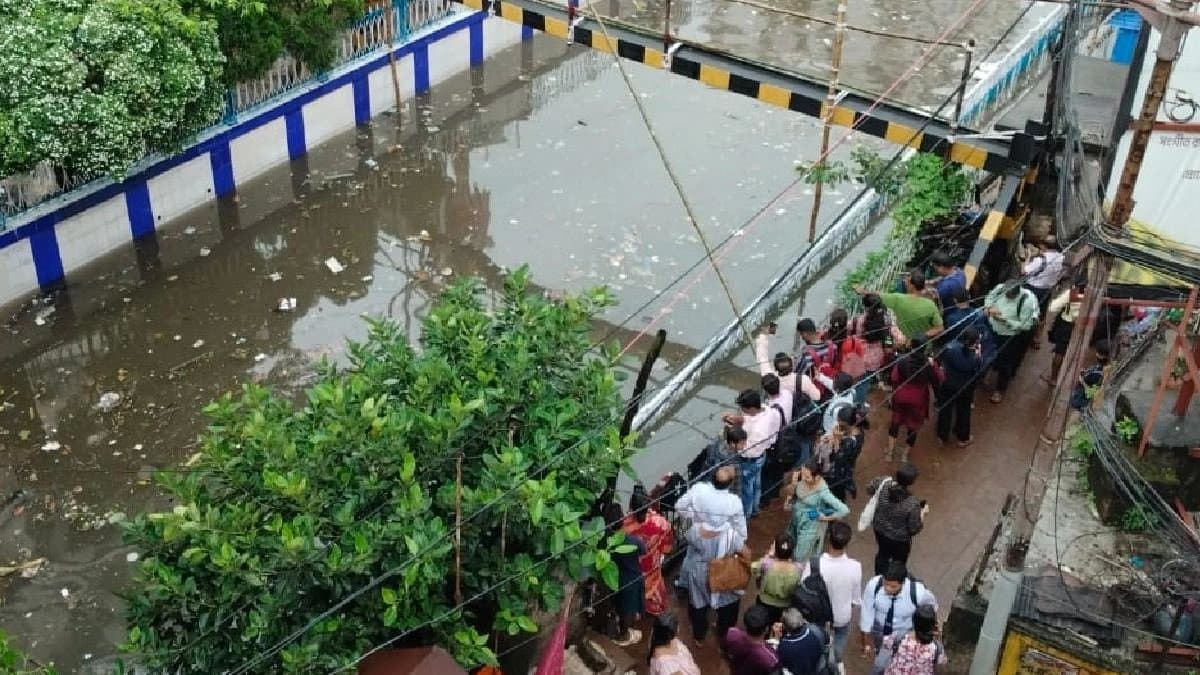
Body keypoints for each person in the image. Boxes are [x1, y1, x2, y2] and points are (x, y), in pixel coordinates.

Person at [801, 521, 862, 666]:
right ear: (848, 542)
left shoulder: (814, 563)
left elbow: (804, 587)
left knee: (818, 641)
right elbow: (855, 599)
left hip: (818, 614)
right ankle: (835, 662)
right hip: (842, 615)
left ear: (829, 538)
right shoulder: (855, 567)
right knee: (840, 638)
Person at [682, 515, 747, 646]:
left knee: (698, 604)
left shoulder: (698, 529)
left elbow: (688, 537)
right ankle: (723, 632)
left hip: (701, 571)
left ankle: (699, 637)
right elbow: (741, 547)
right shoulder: (734, 527)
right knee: (727, 601)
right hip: (725, 570)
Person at [723, 389, 782, 518]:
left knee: (747, 490)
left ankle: (746, 515)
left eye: (743, 408)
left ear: (751, 408)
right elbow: (749, 419)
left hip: (750, 459)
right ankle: (755, 509)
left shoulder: (760, 430)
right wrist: (738, 420)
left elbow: (746, 450)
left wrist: (732, 438)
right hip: (761, 456)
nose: (742, 410)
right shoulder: (767, 410)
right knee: (756, 484)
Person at [860, 562, 938, 658]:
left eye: (893, 586)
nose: (888, 589)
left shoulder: (918, 592)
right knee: (881, 656)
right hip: (880, 629)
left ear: (903, 582)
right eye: (886, 584)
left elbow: (931, 608)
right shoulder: (873, 585)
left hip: (904, 632)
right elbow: (867, 611)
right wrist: (866, 642)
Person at [983, 280, 1039, 404]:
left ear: (1016, 293)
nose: (1006, 298)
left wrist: (1005, 320)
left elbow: (1026, 325)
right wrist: (989, 307)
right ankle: (986, 373)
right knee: (986, 353)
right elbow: (990, 297)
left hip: (1010, 336)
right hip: (993, 329)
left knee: (1006, 363)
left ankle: (1000, 389)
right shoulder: (1000, 288)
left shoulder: (1027, 301)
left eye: (1009, 297)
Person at [623, 484, 675, 617]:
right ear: (647, 506)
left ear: (631, 507)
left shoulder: (624, 526)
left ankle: (636, 611)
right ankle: (653, 610)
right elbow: (667, 548)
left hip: (633, 568)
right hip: (651, 565)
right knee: (653, 590)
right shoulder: (661, 523)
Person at [887, 343, 943, 463]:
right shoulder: (928, 365)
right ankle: (904, 455)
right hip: (918, 399)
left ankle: (890, 452)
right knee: (913, 426)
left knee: (895, 422)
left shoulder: (902, 360)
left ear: (912, 347)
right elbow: (939, 379)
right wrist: (934, 365)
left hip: (900, 395)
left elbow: (894, 378)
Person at [783, 459, 850, 561]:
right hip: (796, 517)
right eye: (803, 474)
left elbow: (844, 510)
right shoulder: (801, 478)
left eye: (807, 477)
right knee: (789, 542)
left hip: (811, 523)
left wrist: (826, 518)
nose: (804, 479)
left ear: (817, 477)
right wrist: (793, 484)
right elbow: (790, 493)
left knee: (800, 553)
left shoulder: (823, 491)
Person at [868, 463, 926, 576]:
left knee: (882, 553)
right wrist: (923, 513)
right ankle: (894, 579)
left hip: (879, 529)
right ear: (911, 482)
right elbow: (914, 528)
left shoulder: (883, 483)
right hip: (899, 539)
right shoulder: (912, 504)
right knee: (898, 562)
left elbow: (869, 489)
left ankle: (878, 576)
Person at [857, 271, 943, 343]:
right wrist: (922, 336)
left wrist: (863, 291)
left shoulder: (898, 299)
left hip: (904, 343)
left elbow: (878, 296)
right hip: (924, 345)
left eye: (907, 282)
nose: (905, 282)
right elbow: (939, 328)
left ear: (912, 286)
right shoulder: (930, 304)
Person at [605, 502, 646, 646]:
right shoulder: (633, 541)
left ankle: (618, 625)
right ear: (622, 521)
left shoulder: (605, 542)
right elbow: (643, 551)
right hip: (631, 579)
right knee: (628, 609)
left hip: (613, 579)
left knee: (618, 604)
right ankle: (623, 635)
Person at [936, 327, 983, 448]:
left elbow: (939, 359)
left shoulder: (950, 347)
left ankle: (942, 436)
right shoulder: (974, 358)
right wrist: (978, 355)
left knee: (945, 410)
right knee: (963, 411)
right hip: (964, 388)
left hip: (948, 384)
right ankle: (962, 437)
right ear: (975, 343)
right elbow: (977, 370)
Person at [853, 293, 903, 399]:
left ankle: (859, 404)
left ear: (865, 307)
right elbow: (901, 339)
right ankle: (878, 381)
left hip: (862, 356)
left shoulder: (861, 320)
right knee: (878, 371)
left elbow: (857, 334)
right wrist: (891, 346)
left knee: (862, 383)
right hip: (879, 357)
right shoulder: (887, 317)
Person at [755, 325, 823, 401]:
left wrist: (763, 336)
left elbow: (762, 357)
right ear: (791, 365)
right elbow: (817, 397)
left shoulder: (770, 378)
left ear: (775, 367)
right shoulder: (803, 380)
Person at [880, 604, 947, 674]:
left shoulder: (900, 637)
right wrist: (939, 638)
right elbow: (941, 663)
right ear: (933, 625)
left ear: (914, 621)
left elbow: (884, 642)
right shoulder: (936, 648)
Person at [1022, 238, 1064, 350]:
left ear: (1044, 246)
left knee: (1026, 309)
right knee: (1041, 314)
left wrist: (1028, 257)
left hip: (1033, 288)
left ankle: (1023, 332)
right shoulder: (1060, 257)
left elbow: (1024, 271)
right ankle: (1037, 339)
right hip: (1046, 290)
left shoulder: (1040, 261)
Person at [754, 533, 803, 625]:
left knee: (763, 624)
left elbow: (754, 569)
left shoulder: (766, 564)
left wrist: (769, 555)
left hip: (765, 602)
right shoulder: (798, 568)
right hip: (786, 605)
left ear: (775, 550)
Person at [1043, 280, 1083, 384]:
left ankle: (1053, 378)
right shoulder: (1096, 294)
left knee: (1059, 351)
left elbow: (1053, 307)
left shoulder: (1073, 292)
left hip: (1067, 323)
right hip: (1083, 325)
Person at [723, 604, 780, 674]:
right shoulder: (770, 658)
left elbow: (725, 653)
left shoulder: (732, 633)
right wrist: (775, 641)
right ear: (766, 629)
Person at [827, 405, 865, 503]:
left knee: (837, 491)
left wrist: (836, 439)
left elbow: (838, 457)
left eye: (840, 421)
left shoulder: (850, 442)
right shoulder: (859, 429)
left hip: (840, 470)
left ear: (848, 424)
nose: (838, 422)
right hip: (849, 463)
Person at [775, 608, 826, 675]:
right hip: (814, 669)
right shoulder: (815, 631)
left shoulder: (784, 646)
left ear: (784, 626)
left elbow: (778, 662)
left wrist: (776, 639)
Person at [1070, 339, 1111, 413]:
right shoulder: (1103, 367)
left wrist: (1082, 380)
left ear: (1100, 355)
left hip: (1083, 396)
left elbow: (1092, 390)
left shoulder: (1098, 373)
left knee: (1077, 407)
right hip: (1086, 391)